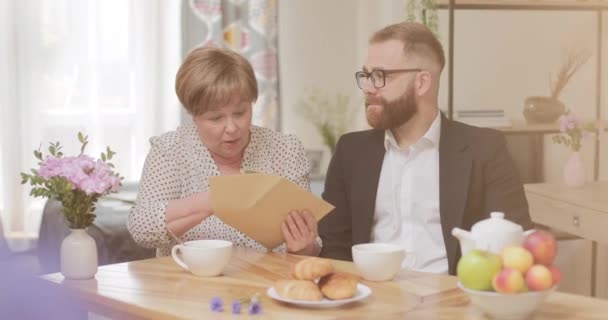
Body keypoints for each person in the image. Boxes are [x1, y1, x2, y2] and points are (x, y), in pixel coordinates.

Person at [318, 22, 533, 275]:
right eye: (365, 75)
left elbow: (513, 246)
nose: (368, 88)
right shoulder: (350, 152)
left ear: (421, 83)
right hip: (372, 301)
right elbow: (334, 248)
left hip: (452, 303)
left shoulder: (485, 149)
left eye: (380, 76)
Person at [128, 46, 320, 257]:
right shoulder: (171, 150)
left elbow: (311, 246)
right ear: (193, 115)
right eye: (216, 118)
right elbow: (142, 229)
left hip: (265, 285)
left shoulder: (284, 150)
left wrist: (304, 248)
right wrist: (215, 200)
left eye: (240, 113)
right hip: (187, 285)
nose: (231, 127)